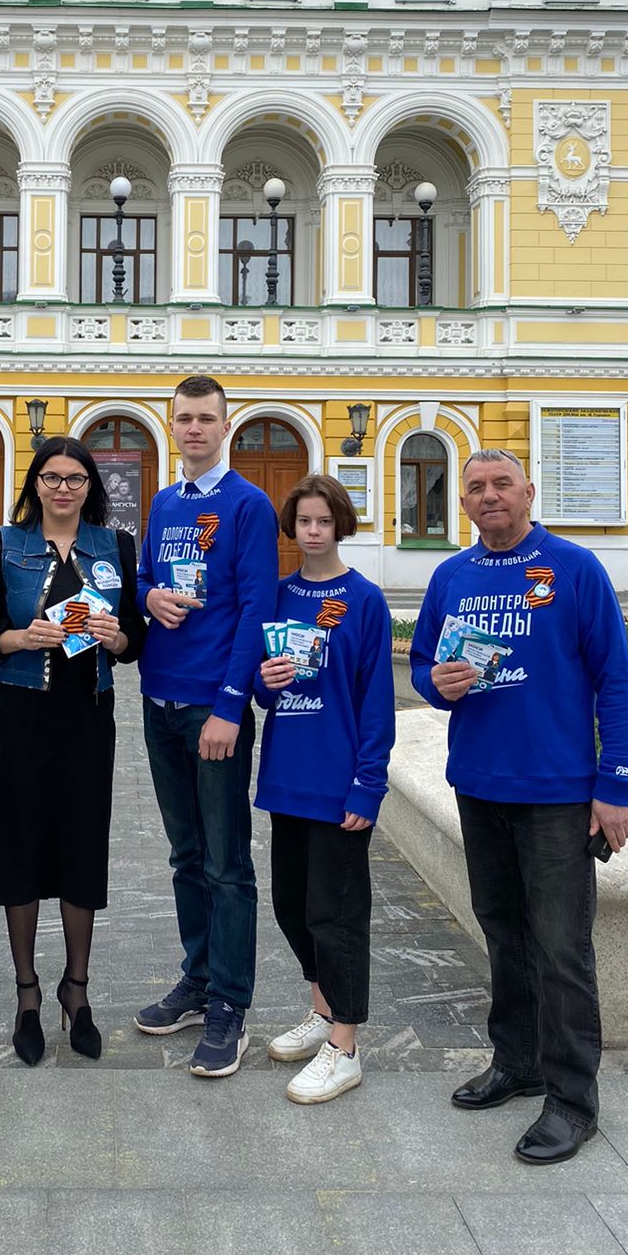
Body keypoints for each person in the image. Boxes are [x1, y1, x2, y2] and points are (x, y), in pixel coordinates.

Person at [410, 448, 628, 1166]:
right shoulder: (452, 575)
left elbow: (616, 682)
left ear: (529, 492)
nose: (488, 495)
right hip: (478, 785)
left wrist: (615, 786)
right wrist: (435, 682)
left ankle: (573, 1101)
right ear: (466, 503)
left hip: (556, 794)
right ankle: (518, 1061)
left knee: (561, 949)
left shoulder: (574, 569)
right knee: (503, 934)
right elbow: (420, 664)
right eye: (474, 487)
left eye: (501, 483)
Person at [0, 435, 145, 1065]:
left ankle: (77, 989)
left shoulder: (115, 546)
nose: (63, 488)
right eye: (51, 477)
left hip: (88, 718)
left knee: (80, 847)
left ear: (90, 487)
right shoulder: (4, 543)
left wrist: (116, 635)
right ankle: (27, 994)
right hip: (20, 716)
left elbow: (136, 642)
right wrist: (21, 636)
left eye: (75, 478)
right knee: (19, 846)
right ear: (35, 483)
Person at [134, 374, 279, 1078]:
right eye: (184, 418)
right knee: (185, 854)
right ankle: (197, 979)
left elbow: (256, 607)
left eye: (205, 419)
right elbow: (139, 582)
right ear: (173, 424)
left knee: (227, 863)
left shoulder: (247, 505)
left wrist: (229, 704)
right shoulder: (163, 502)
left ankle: (230, 1003)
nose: (194, 429)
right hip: (157, 697)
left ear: (226, 426)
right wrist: (150, 593)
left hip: (210, 706)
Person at [254, 473, 394, 1104]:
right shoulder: (278, 595)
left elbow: (375, 701)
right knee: (291, 905)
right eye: (303, 521)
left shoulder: (364, 600)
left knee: (336, 917)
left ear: (341, 524)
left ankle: (345, 1044)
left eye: (323, 520)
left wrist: (368, 786)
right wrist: (266, 678)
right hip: (288, 778)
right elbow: (263, 692)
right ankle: (320, 1007)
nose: (313, 531)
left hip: (340, 785)